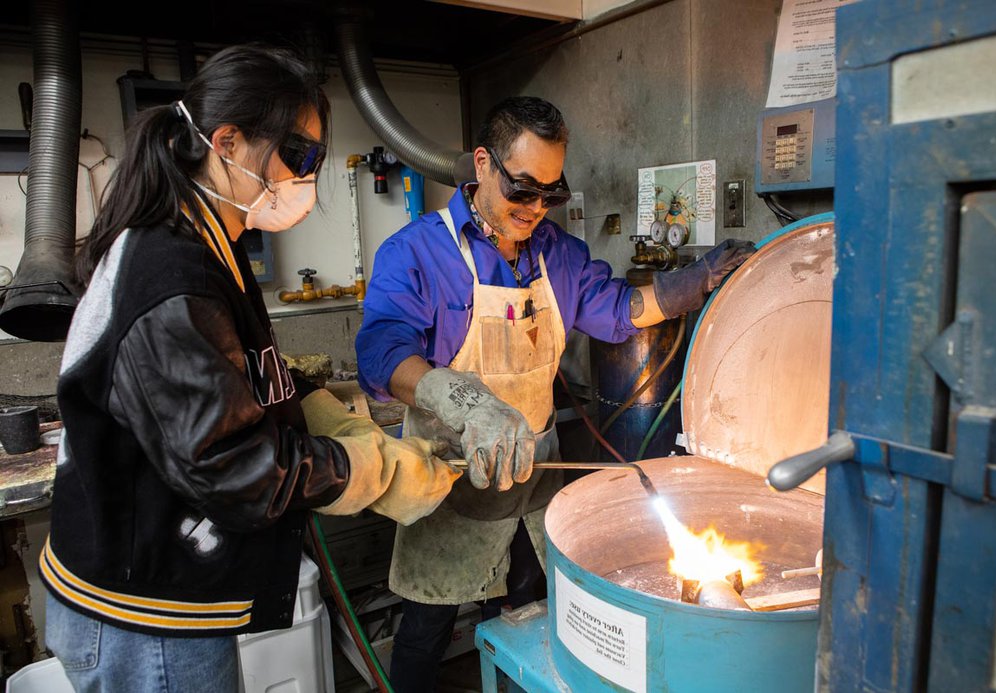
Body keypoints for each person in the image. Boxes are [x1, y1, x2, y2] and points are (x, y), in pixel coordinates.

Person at [39, 43, 461, 693]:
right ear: (228, 143)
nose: (307, 177)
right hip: (142, 608)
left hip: (170, 587)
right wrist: (372, 469)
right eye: (300, 154)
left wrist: (319, 410)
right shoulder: (170, 269)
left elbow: (244, 369)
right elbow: (230, 466)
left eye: (313, 159)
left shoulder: (214, 242)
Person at [355, 95, 756, 691]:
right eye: (522, 189)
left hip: (535, 478)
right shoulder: (416, 253)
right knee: (427, 626)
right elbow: (381, 354)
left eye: (551, 193)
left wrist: (694, 282)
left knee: (527, 617)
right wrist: (457, 396)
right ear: (483, 165)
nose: (536, 208)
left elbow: (618, 310)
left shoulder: (556, 254)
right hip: (451, 482)